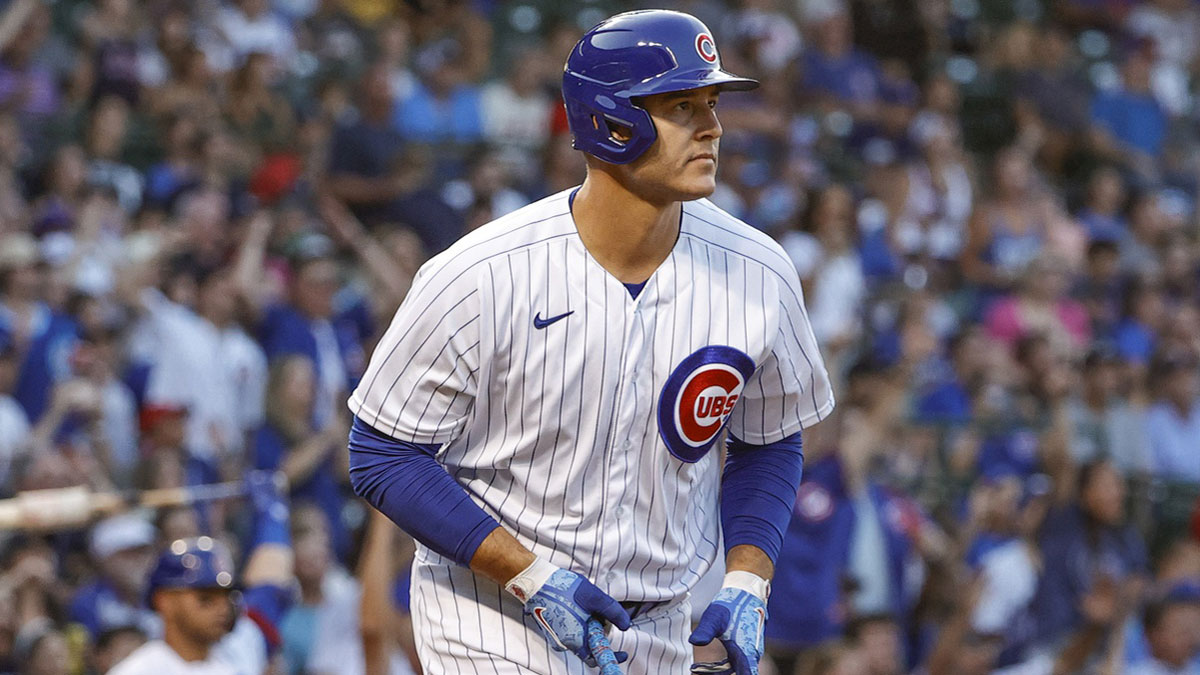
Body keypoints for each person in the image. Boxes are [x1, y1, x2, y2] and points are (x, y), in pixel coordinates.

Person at [347, 9, 833, 675]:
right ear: (608, 122)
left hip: (660, 624)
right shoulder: (481, 273)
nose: (713, 127)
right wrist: (527, 575)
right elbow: (381, 452)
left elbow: (770, 436)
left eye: (713, 103)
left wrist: (748, 574)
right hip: (493, 613)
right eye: (683, 105)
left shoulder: (758, 273)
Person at [108, 471, 294, 674]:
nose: (222, 608)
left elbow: (269, 587)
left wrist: (272, 513)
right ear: (165, 602)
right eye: (205, 598)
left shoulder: (238, 647)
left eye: (226, 596)